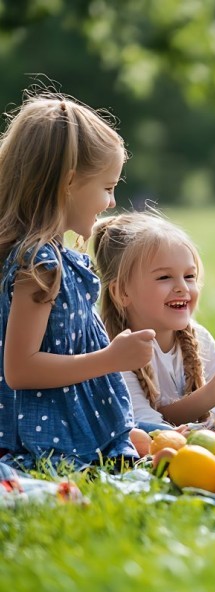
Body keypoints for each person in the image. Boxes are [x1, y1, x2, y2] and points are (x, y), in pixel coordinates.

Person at [0, 94, 155, 467]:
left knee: (149, 439)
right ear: (69, 183)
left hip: (70, 428)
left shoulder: (55, 258)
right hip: (46, 444)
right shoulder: (40, 263)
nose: (112, 201)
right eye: (107, 187)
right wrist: (110, 359)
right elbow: (20, 369)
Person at [93, 211, 215, 432]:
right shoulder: (115, 351)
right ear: (122, 291)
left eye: (189, 276)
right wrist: (208, 397)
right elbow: (142, 421)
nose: (182, 288)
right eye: (164, 277)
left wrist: (213, 420)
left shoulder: (198, 337)